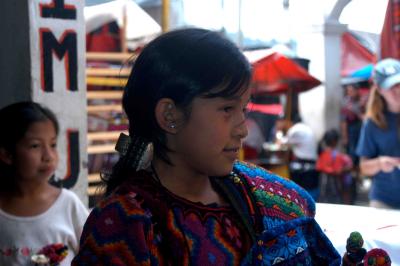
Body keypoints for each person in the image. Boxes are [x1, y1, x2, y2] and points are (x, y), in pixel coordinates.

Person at [72, 28, 340, 265]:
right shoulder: (124, 226)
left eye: (243, 109)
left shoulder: (256, 198)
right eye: (226, 109)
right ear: (170, 115)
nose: (243, 129)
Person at [0, 102, 89, 266]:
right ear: (6, 154)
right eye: (35, 146)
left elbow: (95, 256)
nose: (48, 156)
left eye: (53, 145)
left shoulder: (68, 205)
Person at [356, 58, 400, 209]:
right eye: (391, 86)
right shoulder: (372, 123)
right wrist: (380, 163)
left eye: (399, 84)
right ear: (380, 90)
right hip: (384, 201)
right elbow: (363, 167)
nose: (398, 90)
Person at [280, 115, 320, 201]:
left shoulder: (295, 129)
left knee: (298, 195)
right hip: (312, 166)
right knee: (311, 194)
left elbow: (283, 143)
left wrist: (278, 133)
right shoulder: (308, 129)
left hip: (302, 167)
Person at [316, 129, 354, 204]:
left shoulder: (321, 154)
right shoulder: (337, 156)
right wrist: (346, 169)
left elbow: (319, 167)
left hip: (323, 190)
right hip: (335, 189)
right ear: (335, 141)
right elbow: (338, 171)